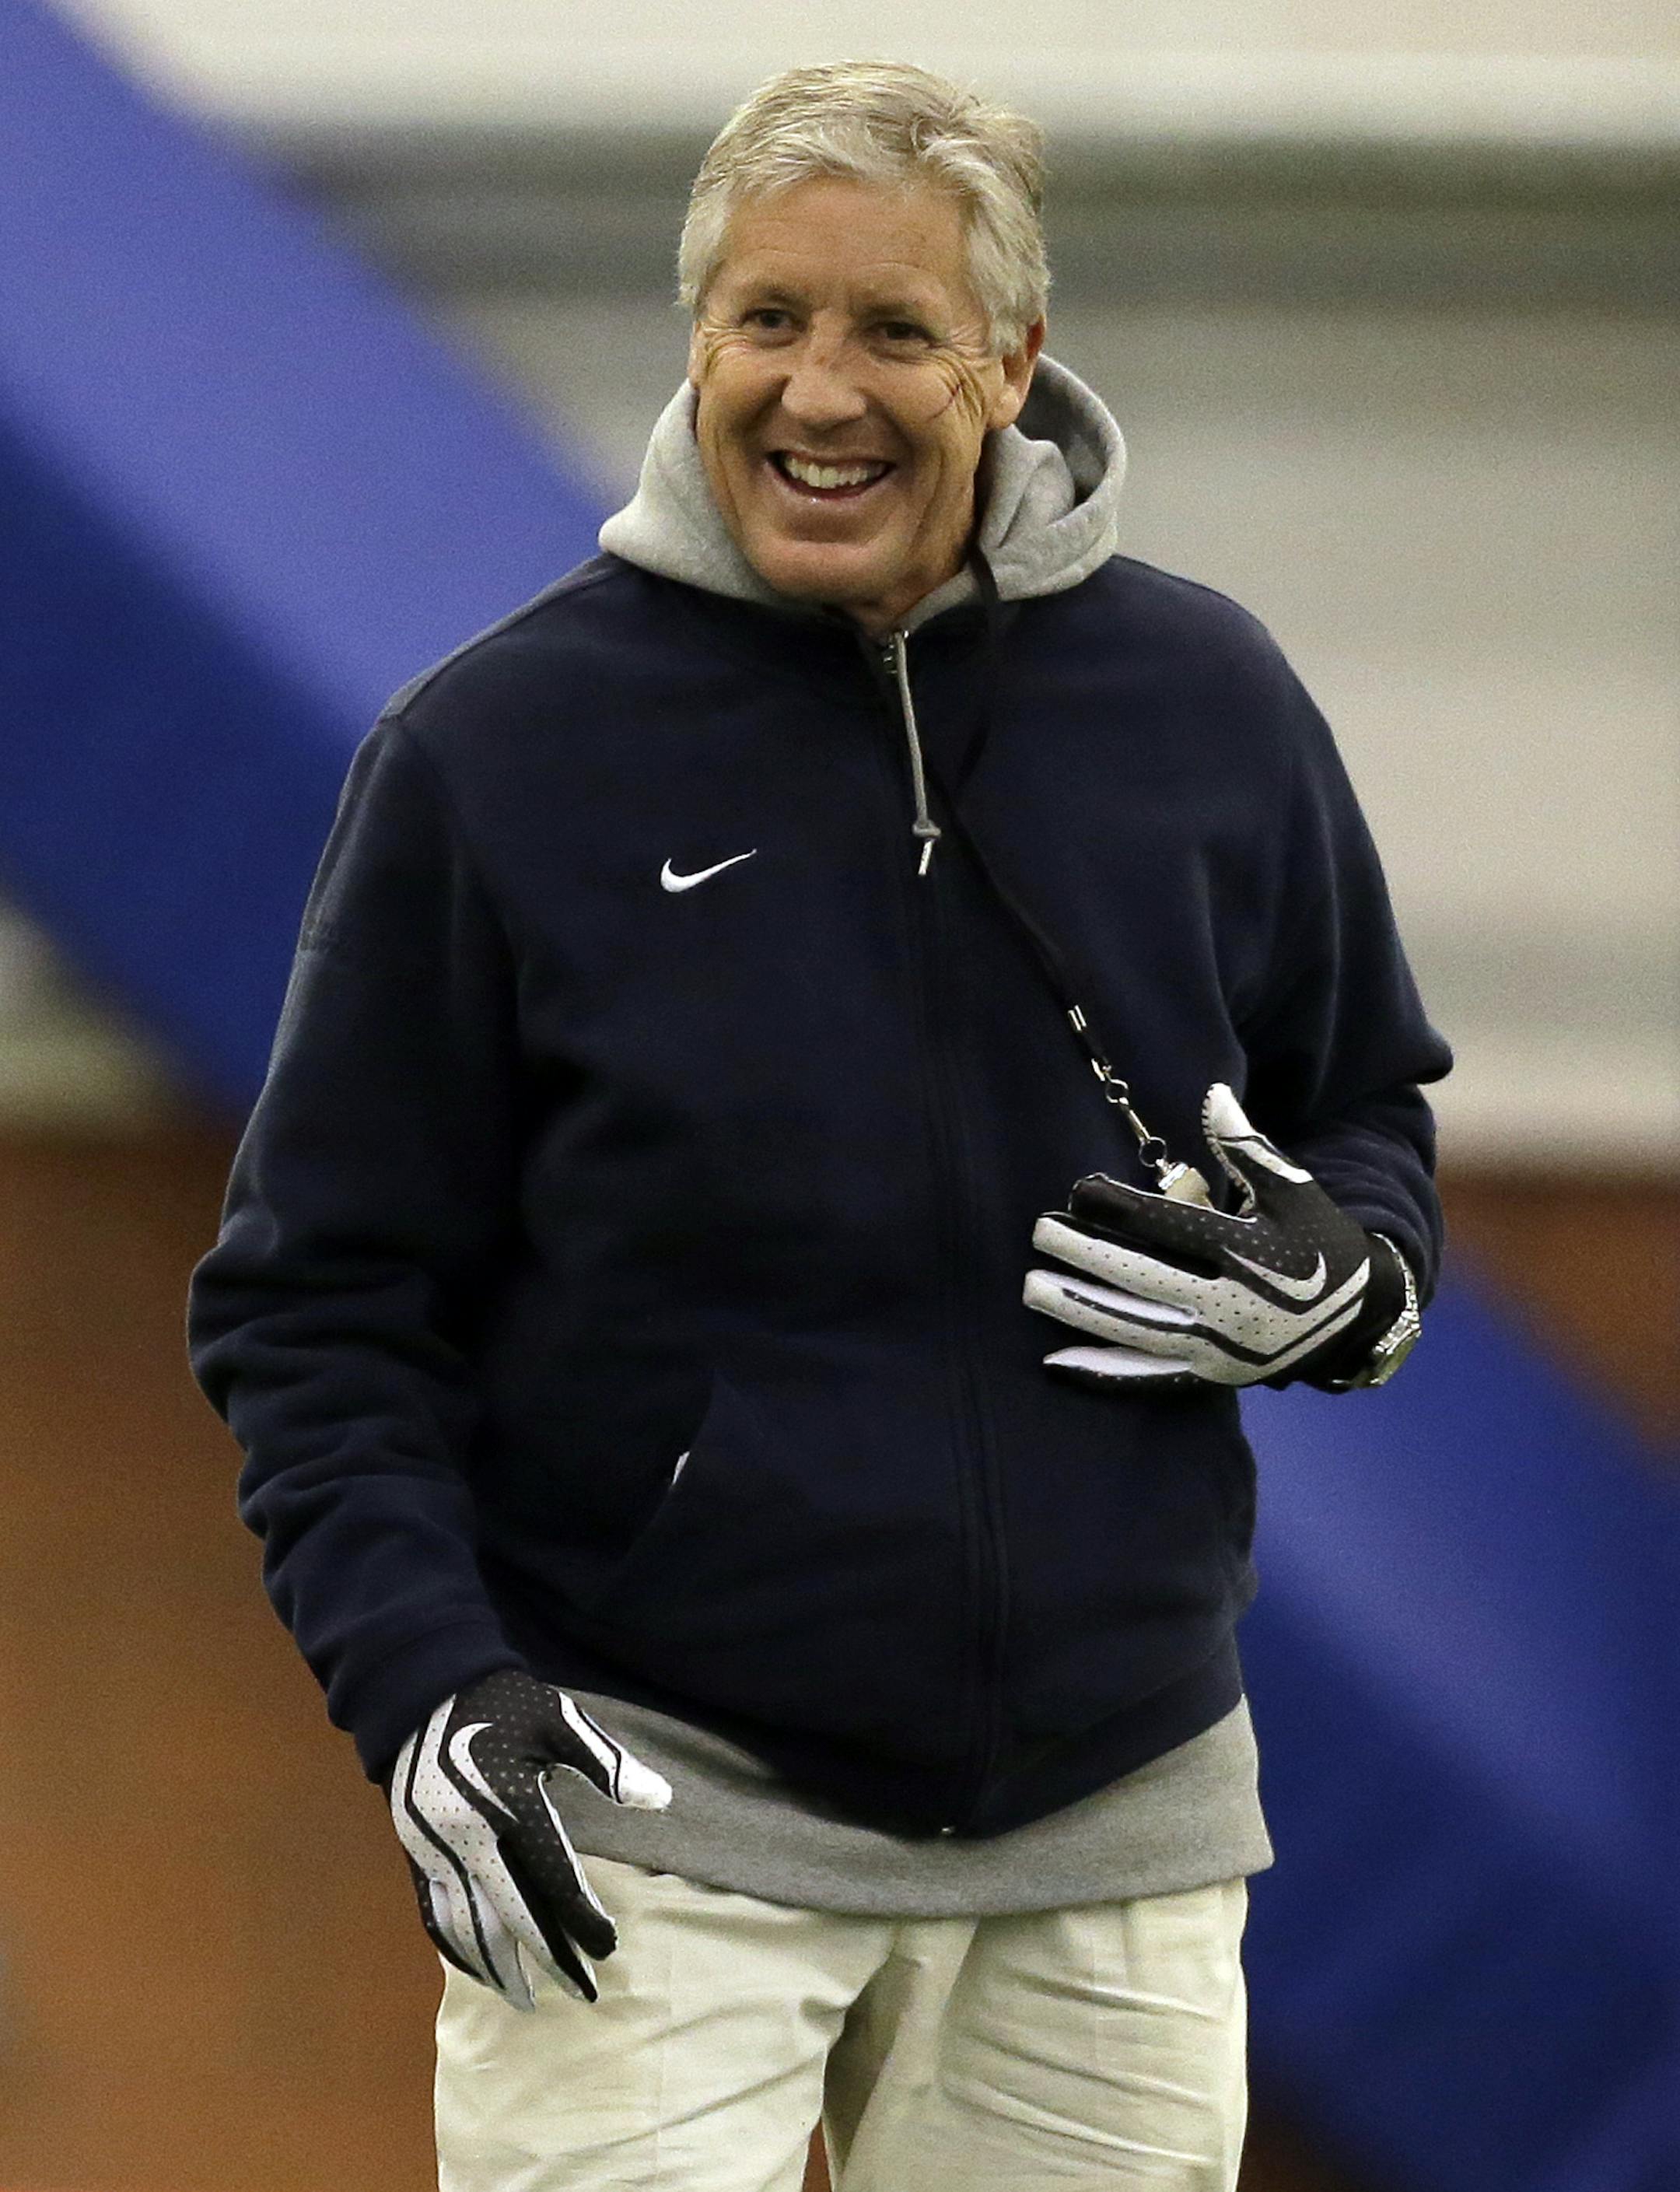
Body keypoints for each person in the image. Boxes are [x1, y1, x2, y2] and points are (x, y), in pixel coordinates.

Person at [187, 58, 1450, 2192]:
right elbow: (317, 1310)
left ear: (1015, 363)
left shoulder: (1207, 705)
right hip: (643, 1817)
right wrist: (425, 1683)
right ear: (697, 340)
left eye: (894, 329)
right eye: (767, 318)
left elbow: (1361, 1104)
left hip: (1113, 1828)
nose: (820, 390)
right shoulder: (496, 754)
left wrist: (1358, 1280)